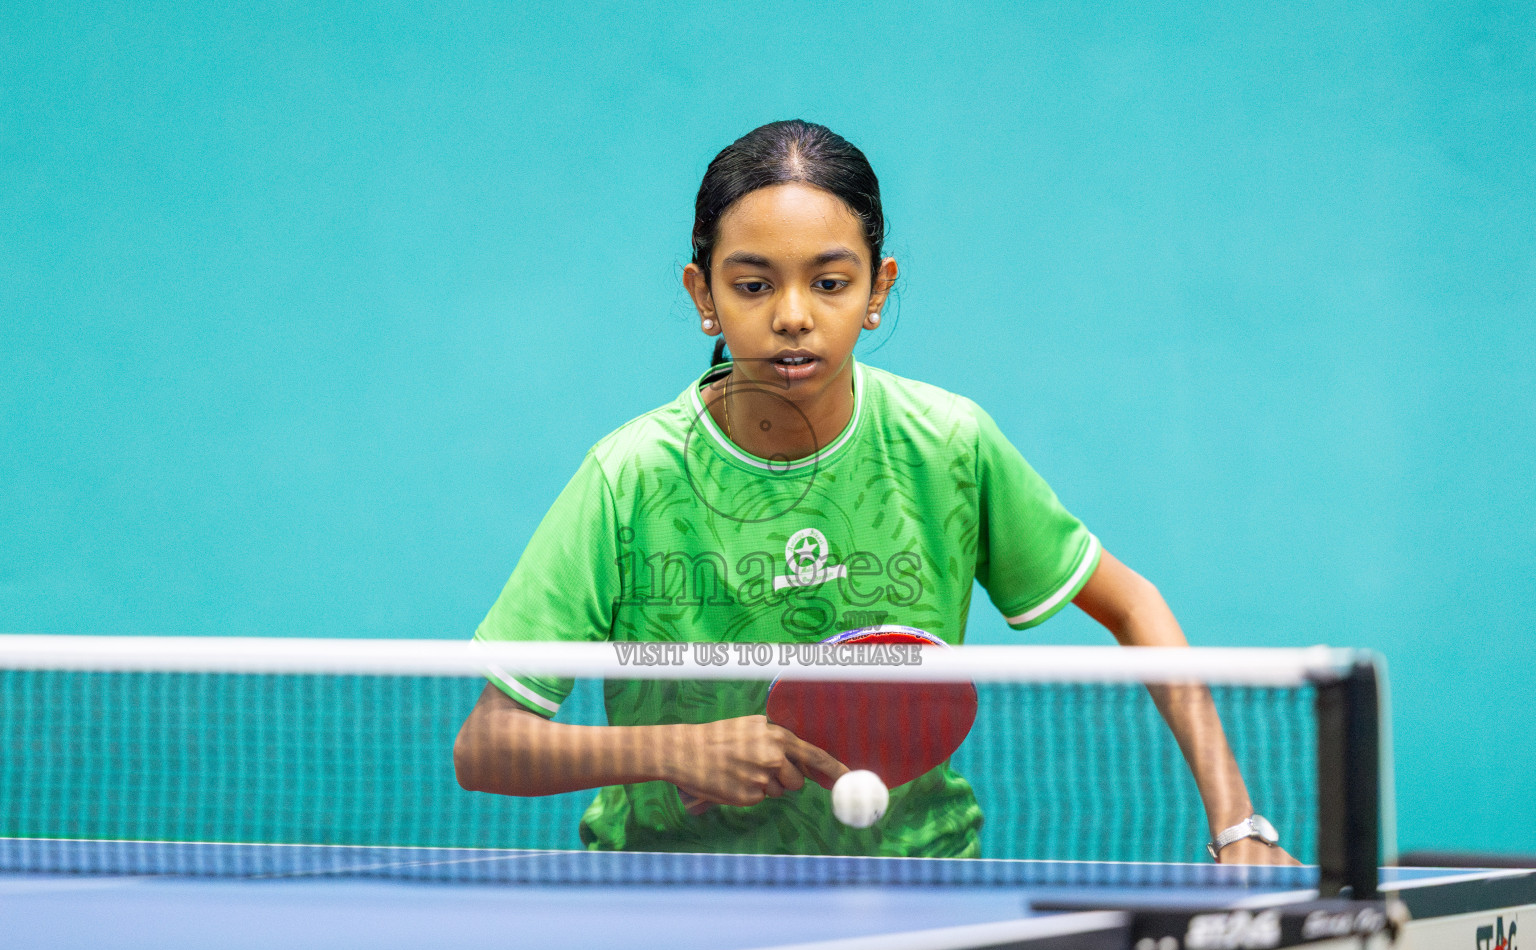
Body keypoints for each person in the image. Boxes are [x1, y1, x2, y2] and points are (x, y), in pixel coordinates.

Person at [454, 120, 1296, 865]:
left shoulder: (947, 446)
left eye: (829, 281)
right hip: (673, 890)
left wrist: (1239, 825)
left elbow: (1134, 605)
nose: (793, 315)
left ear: (877, 290)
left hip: (919, 882)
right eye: (753, 284)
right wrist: (674, 751)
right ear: (701, 294)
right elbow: (487, 748)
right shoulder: (628, 479)